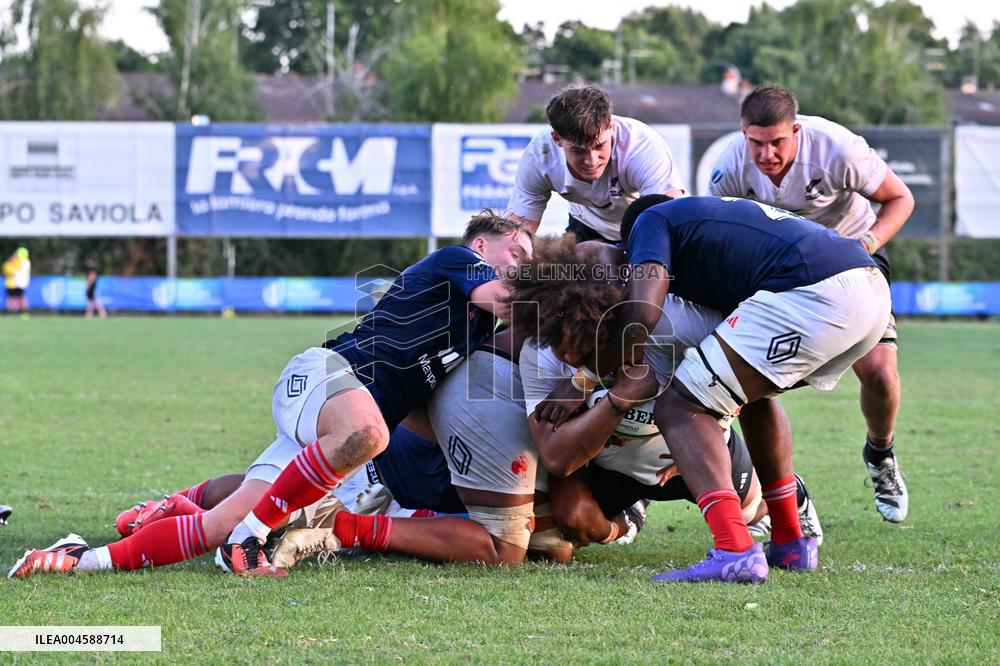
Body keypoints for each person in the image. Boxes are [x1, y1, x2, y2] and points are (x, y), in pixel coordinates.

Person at [8, 211, 532, 578]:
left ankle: (81, 557)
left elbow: (429, 402)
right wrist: (562, 282)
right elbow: (506, 300)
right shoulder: (459, 260)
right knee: (367, 434)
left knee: (219, 525)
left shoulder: (473, 328)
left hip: (334, 419)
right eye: (518, 252)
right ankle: (253, 536)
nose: (523, 264)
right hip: (326, 375)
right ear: (483, 246)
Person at [534, 195, 889, 584]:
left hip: (816, 293)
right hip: (867, 290)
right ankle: (790, 540)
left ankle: (734, 549)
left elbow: (644, 313)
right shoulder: (711, 242)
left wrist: (582, 379)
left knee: (679, 409)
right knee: (753, 396)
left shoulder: (650, 224)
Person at [509, 239, 821, 551]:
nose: (560, 352)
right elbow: (556, 458)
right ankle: (630, 518)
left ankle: (796, 495)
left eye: (573, 340)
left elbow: (754, 377)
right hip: (608, 464)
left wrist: (718, 421)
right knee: (569, 526)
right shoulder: (540, 351)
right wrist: (620, 400)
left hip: (685, 454)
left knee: (753, 510)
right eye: (553, 336)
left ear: (605, 322)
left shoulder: (669, 327)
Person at [708, 84, 912, 523]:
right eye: (755, 143)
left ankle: (881, 455)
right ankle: (779, 498)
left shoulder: (837, 148)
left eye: (777, 142)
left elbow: (901, 198)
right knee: (742, 386)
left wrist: (866, 243)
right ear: (743, 134)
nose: (766, 154)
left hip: (850, 260)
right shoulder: (730, 167)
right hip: (779, 271)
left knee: (879, 373)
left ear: (796, 131)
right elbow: (723, 234)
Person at [507, 84, 686, 243]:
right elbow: (518, 231)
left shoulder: (641, 146)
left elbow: (669, 217)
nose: (591, 160)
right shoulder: (540, 158)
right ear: (557, 139)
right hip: (587, 225)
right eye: (578, 150)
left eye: (599, 146)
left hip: (646, 225)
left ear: (610, 127)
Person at [3, 247, 30, 313]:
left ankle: (23, 311)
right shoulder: (18, 262)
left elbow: (15, 270)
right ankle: (13, 311)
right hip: (13, 283)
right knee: (12, 297)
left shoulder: (24, 262)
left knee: (20, 297)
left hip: (19, 283)